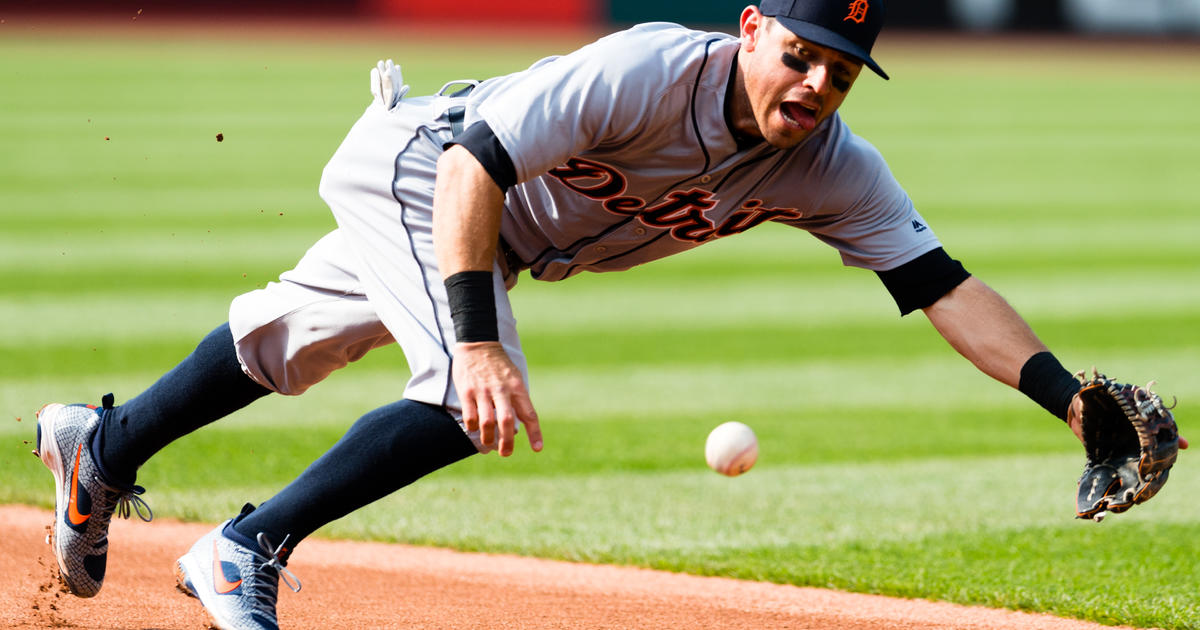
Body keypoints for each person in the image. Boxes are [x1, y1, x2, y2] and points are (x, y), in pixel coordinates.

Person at [32, 1, 1183, 628]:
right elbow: (480, 162)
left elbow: (942, 286)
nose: (816, 88)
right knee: (458, 394)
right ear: (749, 28)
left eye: (840, 72)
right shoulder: (646, 71)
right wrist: (479, 339)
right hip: (431, 166)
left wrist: (1067, 396)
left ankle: (102, 446)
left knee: (292, 340)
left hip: (503, 224)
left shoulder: (831, 164)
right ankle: (246, 547)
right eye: (801, 55)